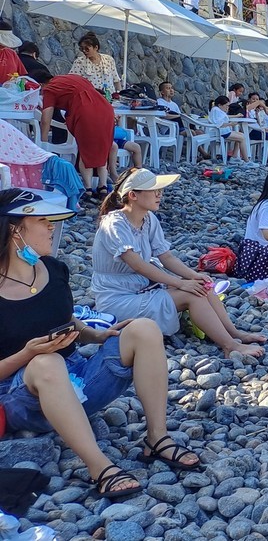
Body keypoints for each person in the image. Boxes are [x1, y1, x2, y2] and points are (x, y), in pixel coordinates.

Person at [0, 189, 200, 501]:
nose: (52, 227)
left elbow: (66, 319)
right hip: (23, 397)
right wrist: (28, 354)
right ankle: (100, 467)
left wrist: (95, 336)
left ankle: (157, 438)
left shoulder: (53, 270)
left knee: (144, 329)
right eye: (42, 220)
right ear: (14, 229)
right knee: (46, 363)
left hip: (76, 380)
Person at [93, 170, 265, 357]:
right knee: (193, 295)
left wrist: (193, 276)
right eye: (154, 190)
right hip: (117, 297)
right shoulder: (114, 224)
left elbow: (166, 257)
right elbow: (138, 265)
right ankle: (229, 345)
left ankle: (234, 333)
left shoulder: (148, 219)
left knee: (202, 286)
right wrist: (181, 283)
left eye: (160, 190)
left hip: (140, 288)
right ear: (133, 195)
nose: (160, 194)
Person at [39, 74, 116, 202]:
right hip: (105, 108)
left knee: (85, 150)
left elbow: (46, 119)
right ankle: (102, 187)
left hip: (85, 111)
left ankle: (88, 189)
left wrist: (43, 142)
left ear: (41, 84)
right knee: (103, 148)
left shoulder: (50, 89)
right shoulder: (71, 78)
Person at [68, 32, 121, 100]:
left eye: (87, 49)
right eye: (82, 49)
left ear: (96, 47)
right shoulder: (79, 62)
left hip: (109, 99)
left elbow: (116, 80)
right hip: (89, 99)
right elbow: (73, 81)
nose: (84, 51)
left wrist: (119, 95)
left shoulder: (109, 60)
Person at [207, 96, 249, 162]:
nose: (227, 107)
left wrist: (236, 116)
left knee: (241, 135)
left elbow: (224, 117)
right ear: (220, 105)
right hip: (222, 132)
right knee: (242, 138)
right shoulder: (216, 110)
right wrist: (230, 124)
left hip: (222, 131)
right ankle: (246, 160)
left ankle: (234, 157)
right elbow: (219, 124)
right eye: (226, 105)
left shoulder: (216, 109)